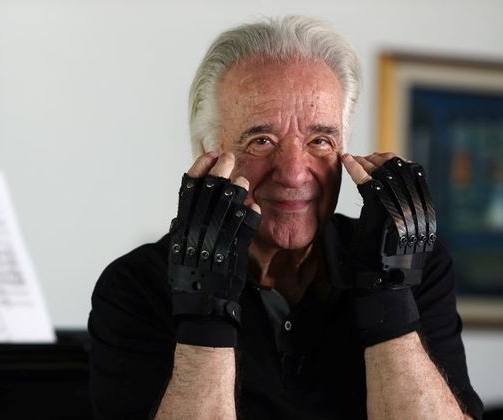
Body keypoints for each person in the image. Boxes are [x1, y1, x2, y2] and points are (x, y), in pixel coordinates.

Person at [88, 15, 483, 419]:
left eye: (320, 140)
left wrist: (388, 291)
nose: (294, 173)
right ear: (208, 157)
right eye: (262, 140)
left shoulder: (415, 265)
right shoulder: (135, 286)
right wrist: (205, 306)